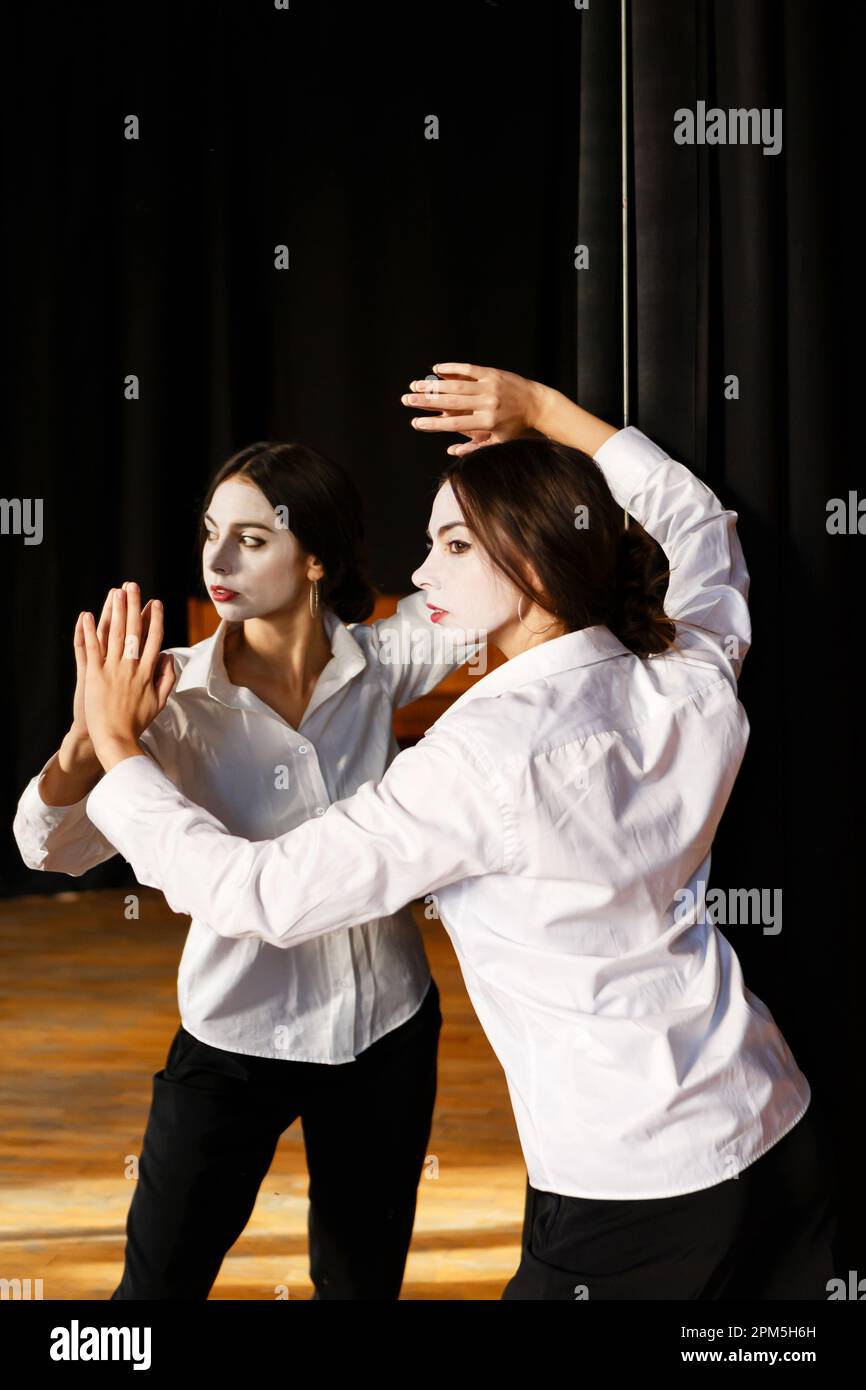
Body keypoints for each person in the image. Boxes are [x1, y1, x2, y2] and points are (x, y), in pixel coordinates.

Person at [76, 365, 838, 1299]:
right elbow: (703, 531)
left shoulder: (480, 756)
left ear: (528, 560)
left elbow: (258, 894)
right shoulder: (685, 670)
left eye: (452, 545)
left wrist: (117, 748)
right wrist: (552, 415)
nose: (422, 571)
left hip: (632, 1191)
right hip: (776, 1127)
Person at [13, 437, 487, 1300]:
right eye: (208, 533)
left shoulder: (381, 664)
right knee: (153, 1297)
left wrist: (518, 445)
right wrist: (91, 745)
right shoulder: (174, 696)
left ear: (316, 559)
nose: (216, 560)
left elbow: (500, 576)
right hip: (234, 1043)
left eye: (252, 538)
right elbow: (46, 846)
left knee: (360, 1288)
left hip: (386, 1033)